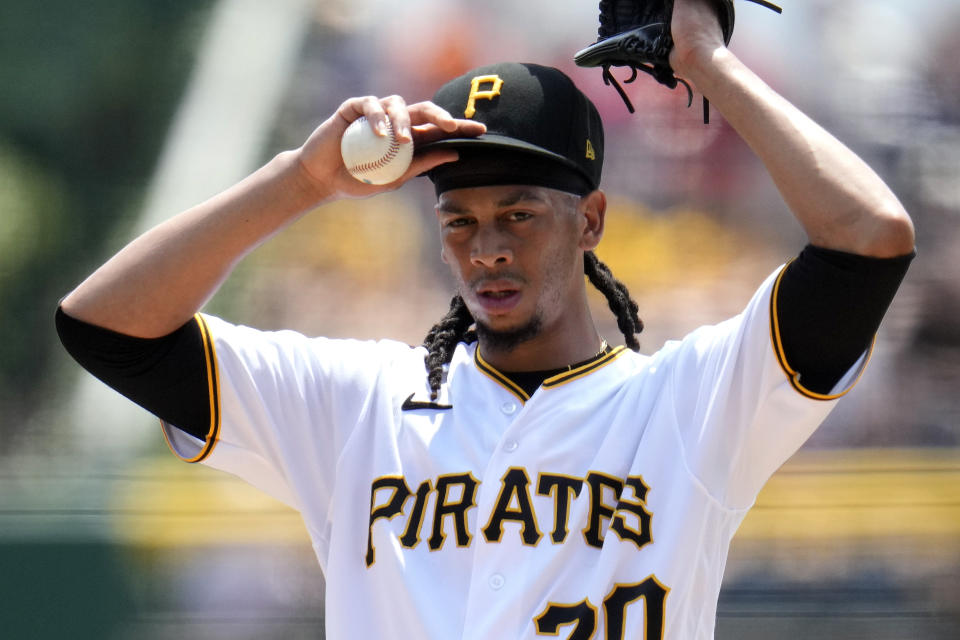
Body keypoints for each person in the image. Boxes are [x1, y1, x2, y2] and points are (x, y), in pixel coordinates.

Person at [57, 1, 914, 638]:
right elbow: (106, 326)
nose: (488, 247)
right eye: (460, 220)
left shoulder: (690, 404)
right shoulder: (357, 405)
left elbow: (869, 240)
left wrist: (711, 67)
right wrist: (302, 181)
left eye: (520, 213)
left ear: (591, 221)